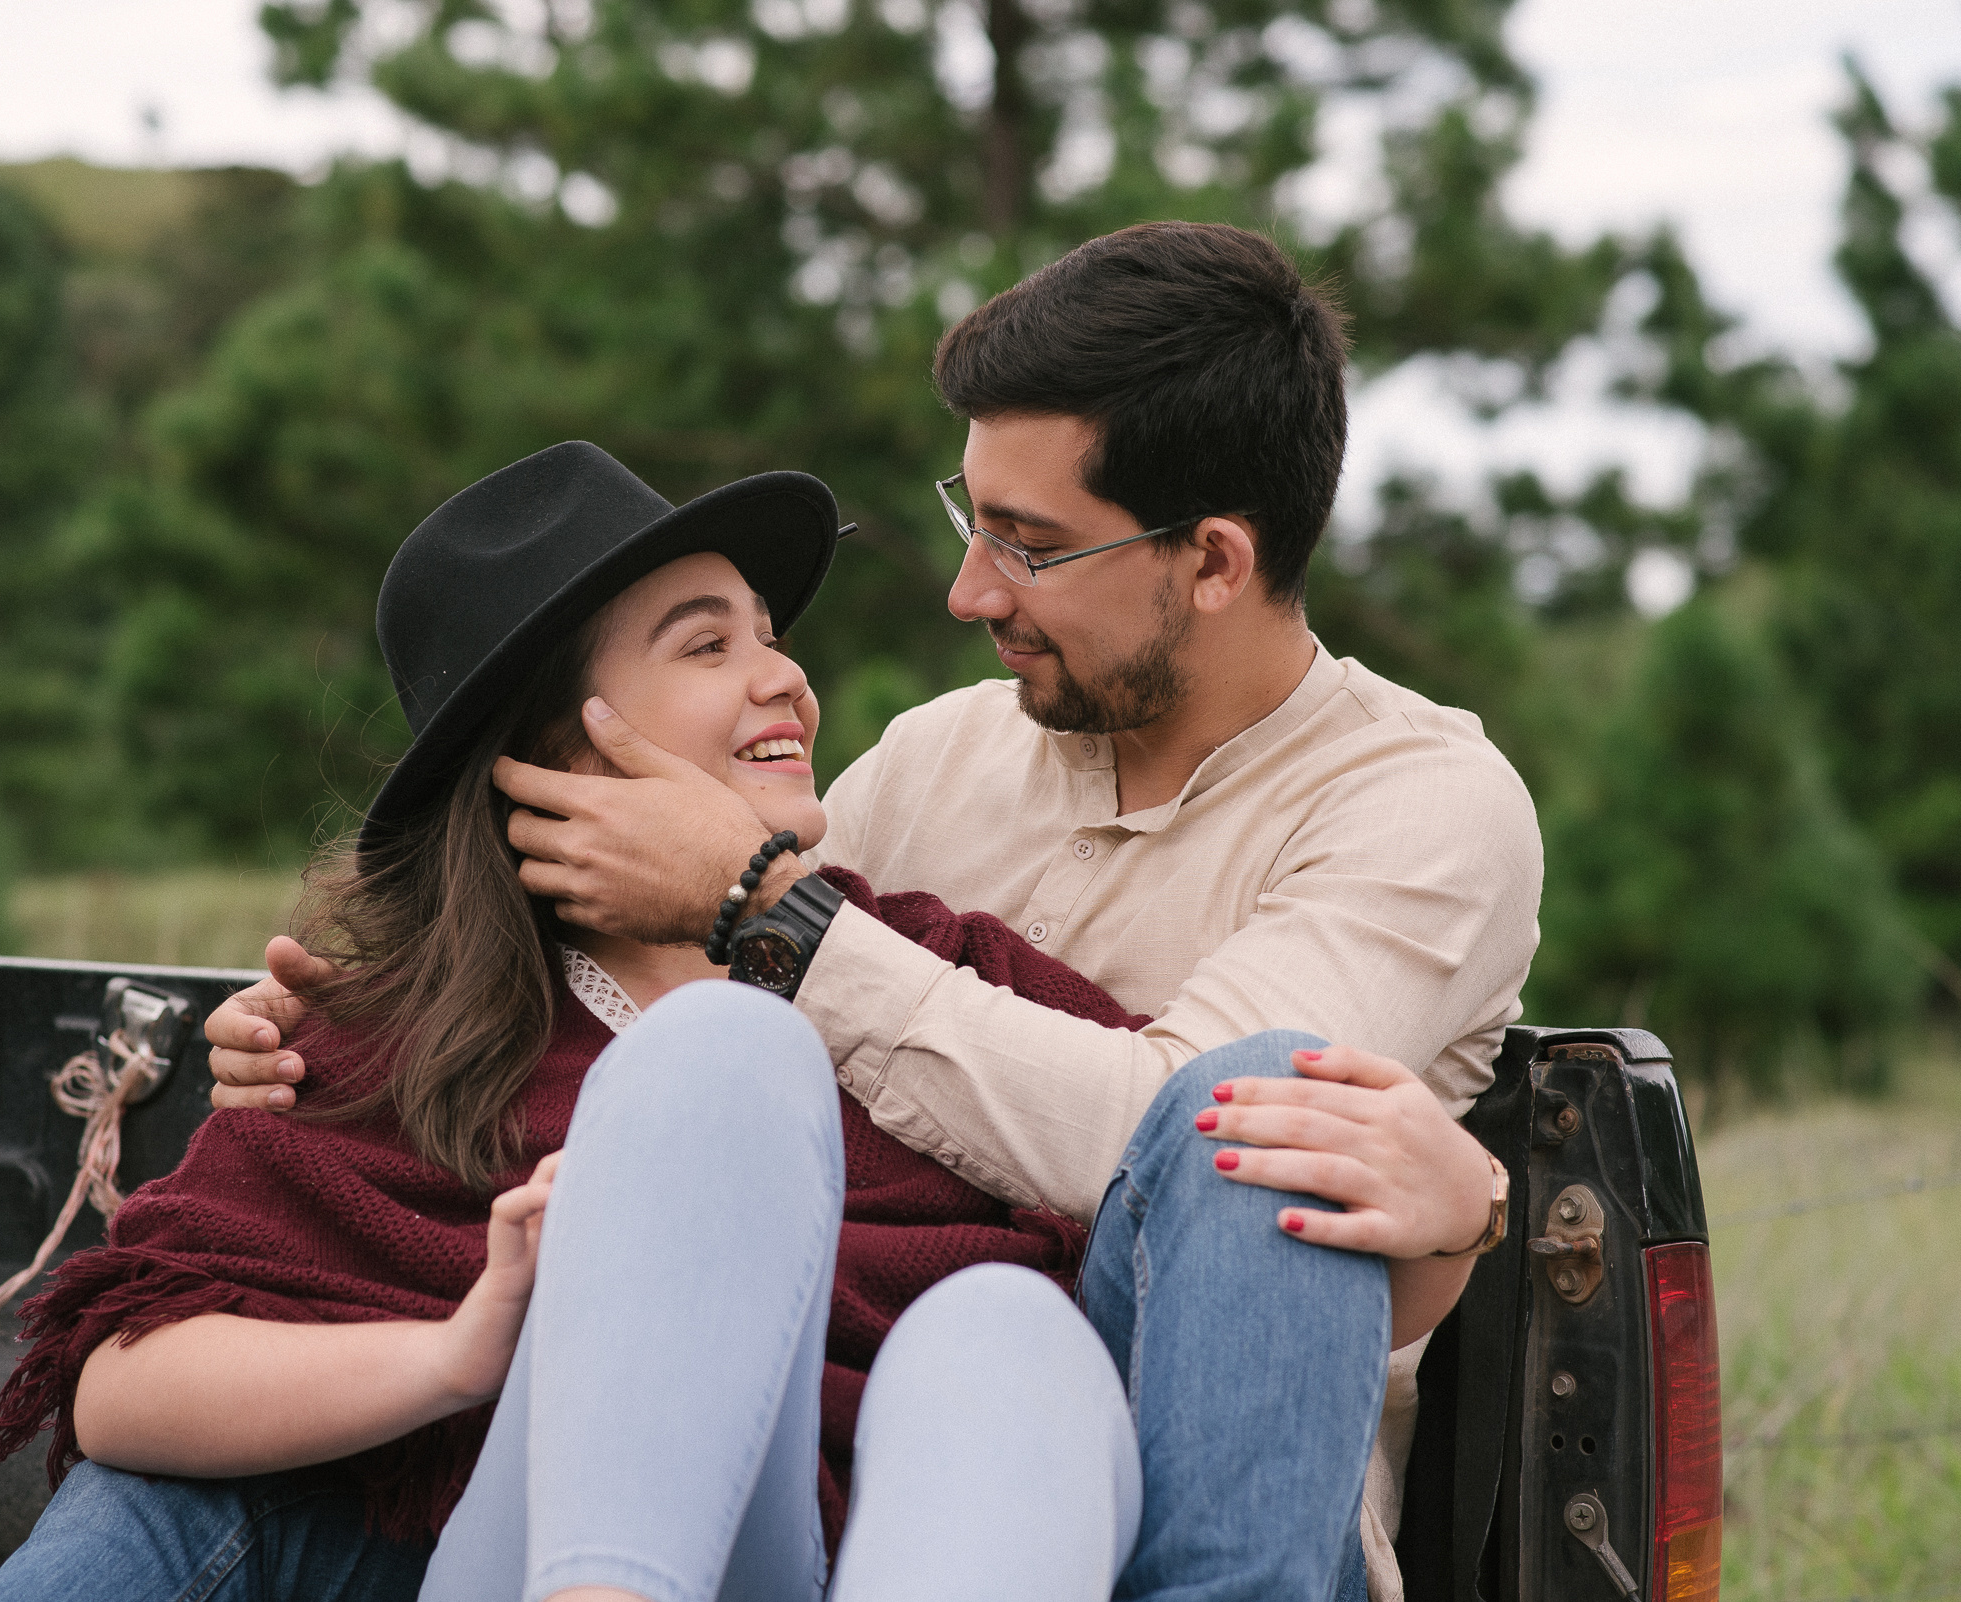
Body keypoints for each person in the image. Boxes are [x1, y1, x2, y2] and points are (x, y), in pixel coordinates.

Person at [208, 221, 1541, 1600]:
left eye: (1029, 546)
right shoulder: (937, 759)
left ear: (1211, 560)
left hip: (1202, 1484)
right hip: (905, 1464)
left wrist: (758, 909)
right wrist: (355, 1032)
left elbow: (1185, 1136)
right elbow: (684, 1044)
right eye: (975, 519)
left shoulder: (1423, 806)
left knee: (1241, 1112)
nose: (971, 589)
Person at [0, 441, 1402, 1602]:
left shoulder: (938, 976)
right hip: (548, 1557)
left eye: (773, 637)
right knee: (724, 1056)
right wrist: (468, 1344)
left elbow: (1213, 1217)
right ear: (556, 749)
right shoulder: (395, 1041)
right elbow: (121, 1387)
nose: (785, 675)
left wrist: (1452, 1208)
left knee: (1005, 1328)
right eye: (708, 645)